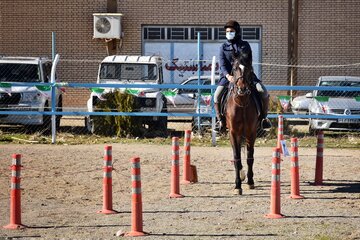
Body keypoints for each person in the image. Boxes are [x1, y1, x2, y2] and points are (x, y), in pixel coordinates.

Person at [214, 20, 272, 130]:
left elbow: (248, 62)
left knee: (263, 92)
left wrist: (243, 74)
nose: (229, 33)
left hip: (245, 75)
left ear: (237, 32)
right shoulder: (223, 47)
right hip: (228, 78)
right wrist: (228, 76)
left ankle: (264, 119)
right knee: (216, 96)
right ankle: (220, 121)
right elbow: (222, 64)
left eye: (231, 31)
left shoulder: (244, 45)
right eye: (227, 31)